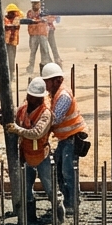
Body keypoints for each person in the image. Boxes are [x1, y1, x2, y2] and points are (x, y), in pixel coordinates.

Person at [3, 77, 59, 223]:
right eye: (30, 96)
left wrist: (17, 129)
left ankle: (59, 216)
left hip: (42, 155)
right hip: (26, 155)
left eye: (35, 97)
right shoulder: (23, 109)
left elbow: (37, 133)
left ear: (41, 98)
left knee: (50, 187)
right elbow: (16, 118)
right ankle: (30, 218)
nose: (31, 99)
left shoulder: (45, 113)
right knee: (26, 188)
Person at [42, 62, 86, 216]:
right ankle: (69, 200)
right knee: (60, 169)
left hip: (72, 138)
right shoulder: (54, 94)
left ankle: (72, 203)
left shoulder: (63, 96)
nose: (46, 85)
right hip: (65, 139)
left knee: (68, 171)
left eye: (47, 81)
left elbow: (56, 118)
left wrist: (38, 124)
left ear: (56, 80)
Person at [25, 0, 53, 71]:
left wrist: (41, 20)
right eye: (34, 3)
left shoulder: (43, 12)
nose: (35, 5)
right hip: (33, 35)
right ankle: (31, 67)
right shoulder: (29, 13)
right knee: (32, 52)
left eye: (36, 3)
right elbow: (29, 20)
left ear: (40, 3)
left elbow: (49, 19)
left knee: (45, 51)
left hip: (42, 34)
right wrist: (39, 20)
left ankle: (46, 66)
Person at [39, 0, 63, 65]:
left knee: (52, 45)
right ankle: (49, 60)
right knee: (44, 47)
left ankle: (57, 59)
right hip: (42, 30)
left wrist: (51, 23)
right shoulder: (40, 7)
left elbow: (58, 18)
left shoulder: (51, 6)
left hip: (50, 29)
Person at [3, 4, 23, 72]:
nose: (12, 14)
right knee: (5, 57)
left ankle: (11, 72)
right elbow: (6, 26)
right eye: (10, 12)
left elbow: (16, 26)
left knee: (12, 58)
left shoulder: (16, 19)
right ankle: (6, 71)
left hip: (13, 42)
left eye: (13, 12)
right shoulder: (5, 19)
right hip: (6, 41)